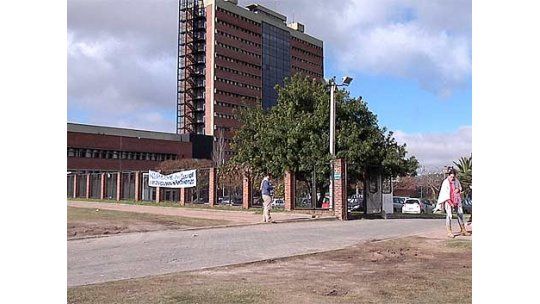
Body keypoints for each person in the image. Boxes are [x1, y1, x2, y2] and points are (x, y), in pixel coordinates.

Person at [437, 167, 470, 238]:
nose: (452, 178)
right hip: (449, 201)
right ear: (448, 175)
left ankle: (463, 230)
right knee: (449, 216)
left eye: (453, 176)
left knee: (460, 214)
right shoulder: (445, 182)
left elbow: (460, 188)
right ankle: (449, 231)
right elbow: (444, 194)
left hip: (457, 200)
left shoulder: (456, 181)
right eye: (451, 176)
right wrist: (450, 202)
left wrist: (458, 189)